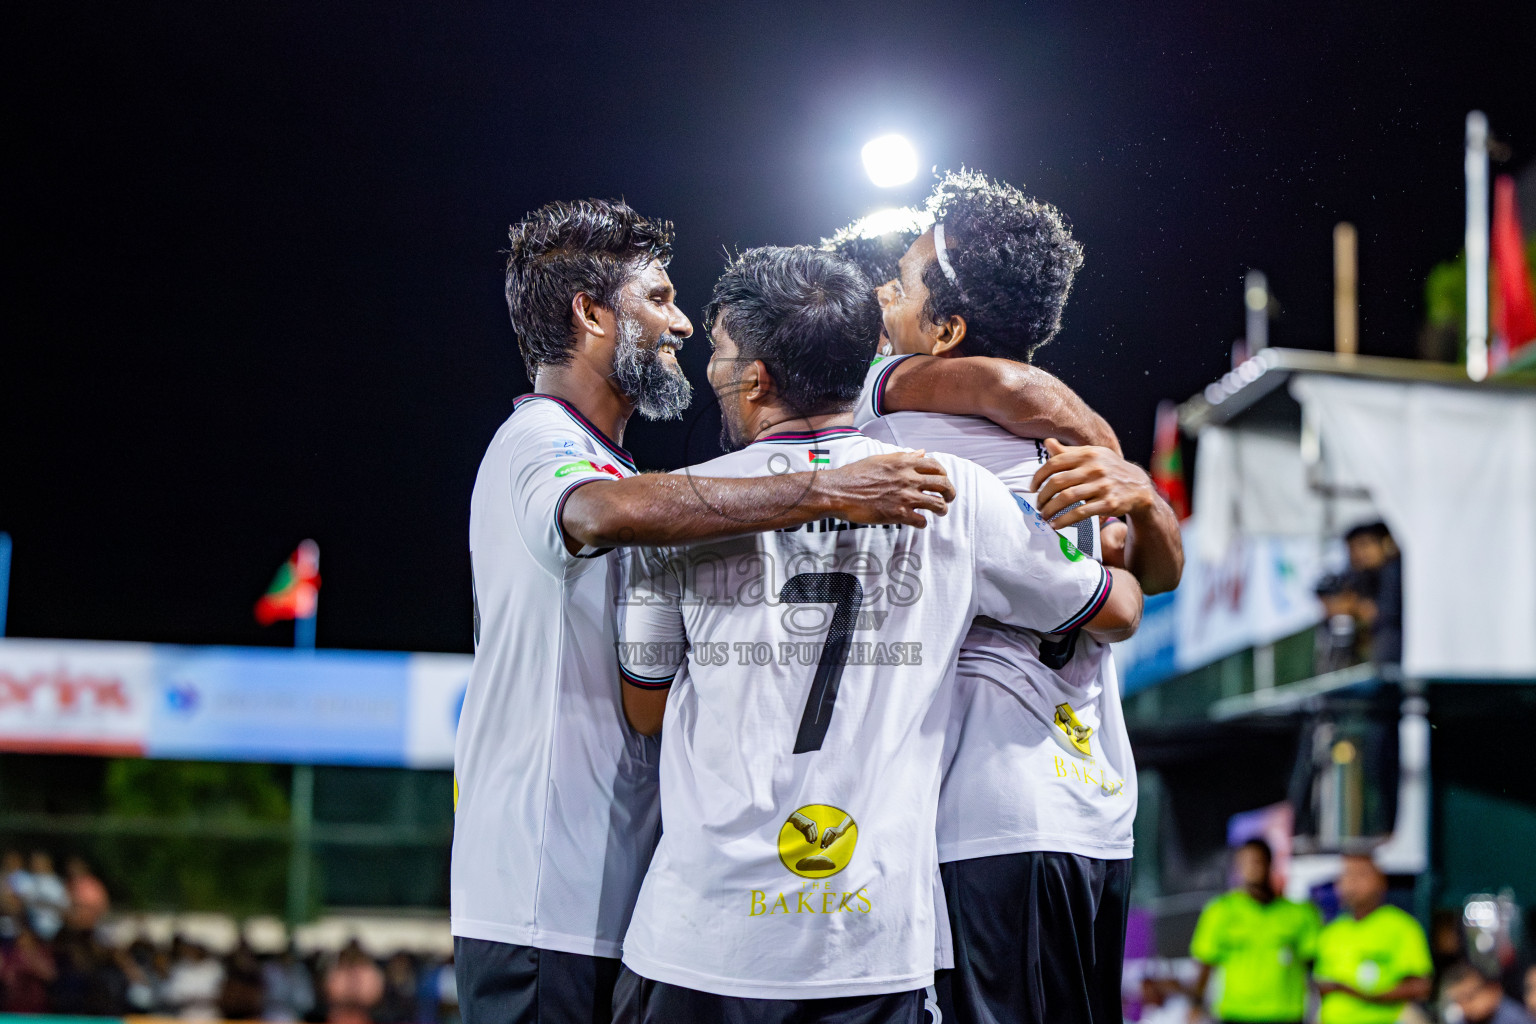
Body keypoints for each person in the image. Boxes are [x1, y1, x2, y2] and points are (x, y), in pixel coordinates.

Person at [452, 199, 957, 1024]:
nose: (683, 324)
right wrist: (826, 488)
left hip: (621, 894)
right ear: (590, 315)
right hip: (544, 896)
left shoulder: (613, 463)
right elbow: (596, 515)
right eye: (657, 298)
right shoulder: (538, 440)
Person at [611, 245, 1142, 1021]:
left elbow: (646, 710)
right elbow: (1113, 608)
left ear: (758, 380)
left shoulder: (676, 511)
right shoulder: (951, 490)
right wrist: (1141, 515)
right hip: (872, 944)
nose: (713, 369)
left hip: (700, 939)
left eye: (723, 353)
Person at [854, 169, 1183, 1024]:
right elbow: (1136, 590)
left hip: (991, 818)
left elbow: (1150, 577)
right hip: (1091, 811)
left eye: (909, 279)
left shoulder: (885, 411)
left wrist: (1139, 493)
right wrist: (1118, 468)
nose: (887, 292)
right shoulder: (1058, 442)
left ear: (946, 330)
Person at [1188, 839, 1322, 1024]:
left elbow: (1313, 967)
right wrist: (1195, 1006)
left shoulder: (1299, 913)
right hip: (1236, 1014)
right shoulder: (1220, 911)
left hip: (1285, 1015)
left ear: (1270, 863)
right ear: (1237, 867)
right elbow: (1205, 965)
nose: (1252, 868)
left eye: (1257, 861)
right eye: (1245, 862)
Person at [1314, 853, 1432, 1024]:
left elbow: (1420, 986)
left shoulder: (1401, 926)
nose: (1351, 883)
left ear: (1381, 881)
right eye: (1347, 875)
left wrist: (1366, 995)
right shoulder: (1331, 932)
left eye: (1361, 875)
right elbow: (1322, 985)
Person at [1443, 961, 1536, 1024]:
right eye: (1457, 1001)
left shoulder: (1516, 1019)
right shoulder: (1462, 1020)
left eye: (1469, 997)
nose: (1464, 1006)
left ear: (1493, 989)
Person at [325, 940, 384, 1024]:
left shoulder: (368, 971)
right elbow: (331, 993)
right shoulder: (338, 971)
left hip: (363, 1016)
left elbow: (374, 995)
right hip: (340, 1016)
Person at [65, 856, 110, 932]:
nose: (73, 872)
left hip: (91, 924)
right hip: (70, 923)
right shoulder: (68, 884)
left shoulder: (92, 885)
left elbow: (101, 906)